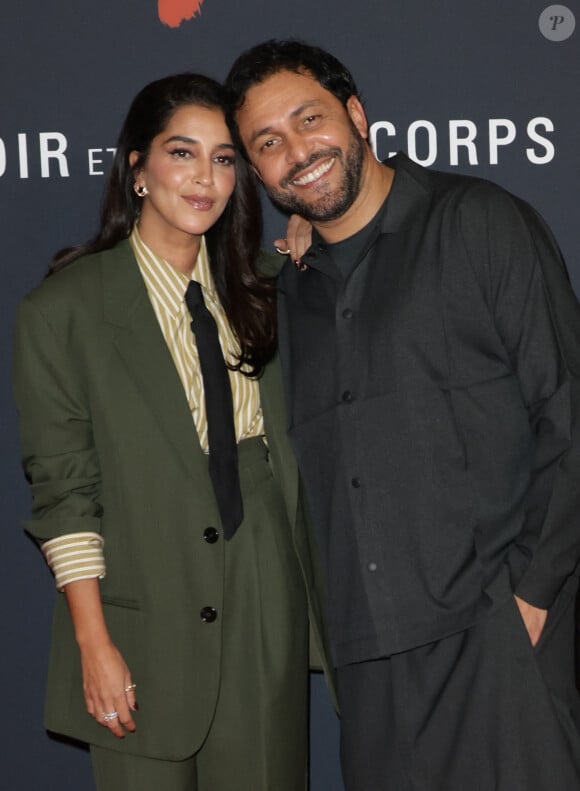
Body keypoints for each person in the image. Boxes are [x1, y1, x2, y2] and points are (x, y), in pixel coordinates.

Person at [225, 40, 580, 790]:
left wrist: (531, 599)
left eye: (309, 119)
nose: (297, 152)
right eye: (268, 143)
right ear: (257, 172)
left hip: (497, 645)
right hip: (371, 672)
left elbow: (569, 417)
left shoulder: (479, 222)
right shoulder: (284, 291)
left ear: (355, 115)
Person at [12, 72, 330, 791]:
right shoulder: (62, 310)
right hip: (137, 602)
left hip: (262, 591)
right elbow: (65, 488)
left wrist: (310, 232)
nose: (205, 178)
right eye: (182, 153)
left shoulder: (268, 282)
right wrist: (95, 642)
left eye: (223, 159)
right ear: (138, 169)